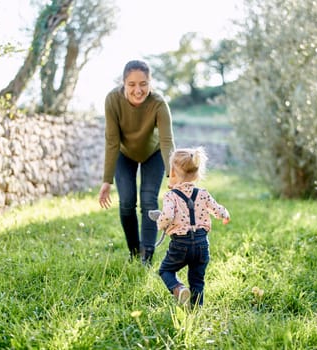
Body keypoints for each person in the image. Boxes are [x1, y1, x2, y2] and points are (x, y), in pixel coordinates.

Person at [98, 60, 175, 265]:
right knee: (126, 203)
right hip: (125, 154)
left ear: (150, 83)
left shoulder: (158, 103)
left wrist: (173, 176)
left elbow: (167, 142)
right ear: (124, 83)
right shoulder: (112, 100)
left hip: (153, 153)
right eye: (132, 84)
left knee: (149, 201)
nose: (138, 90)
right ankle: (134, 252)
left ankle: (147, 255)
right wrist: (107, 181)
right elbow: (112, 142)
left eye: (143, 83)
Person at [151, 147, 230, 307]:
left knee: (165, 271)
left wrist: (160, 224)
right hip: (201, 245)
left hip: (181, 244)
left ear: (172, 173)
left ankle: (179, 289)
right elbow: (217, 209)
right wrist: (225, 214)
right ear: (197, 173)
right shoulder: (203, 193)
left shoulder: (171, 196)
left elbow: (167, 216)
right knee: (197, 280)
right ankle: (196, 311)